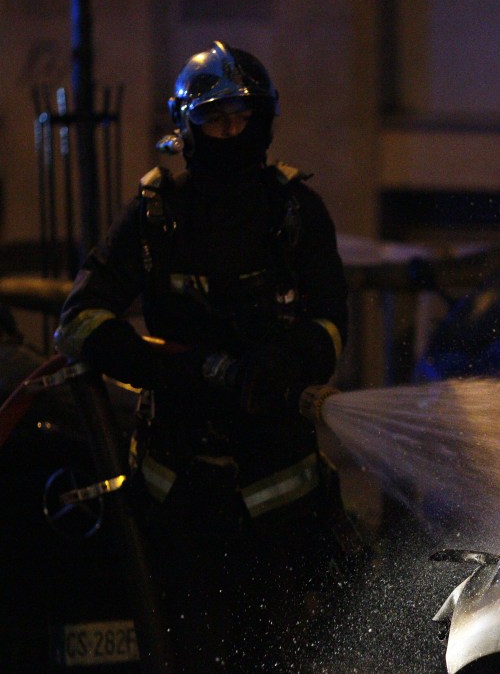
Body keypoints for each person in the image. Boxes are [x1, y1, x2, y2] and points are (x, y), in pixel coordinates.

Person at [54, 41, 351, 669]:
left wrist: (287, 363)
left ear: (264, 121)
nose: (230, 132)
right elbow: (79, 321)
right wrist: (187, 373)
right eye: (215, 120)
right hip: (178, 498)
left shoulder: (297, 210)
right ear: (187, 129)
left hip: (284, 505)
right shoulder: (157, 216)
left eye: (243, 118)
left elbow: (331, 325)